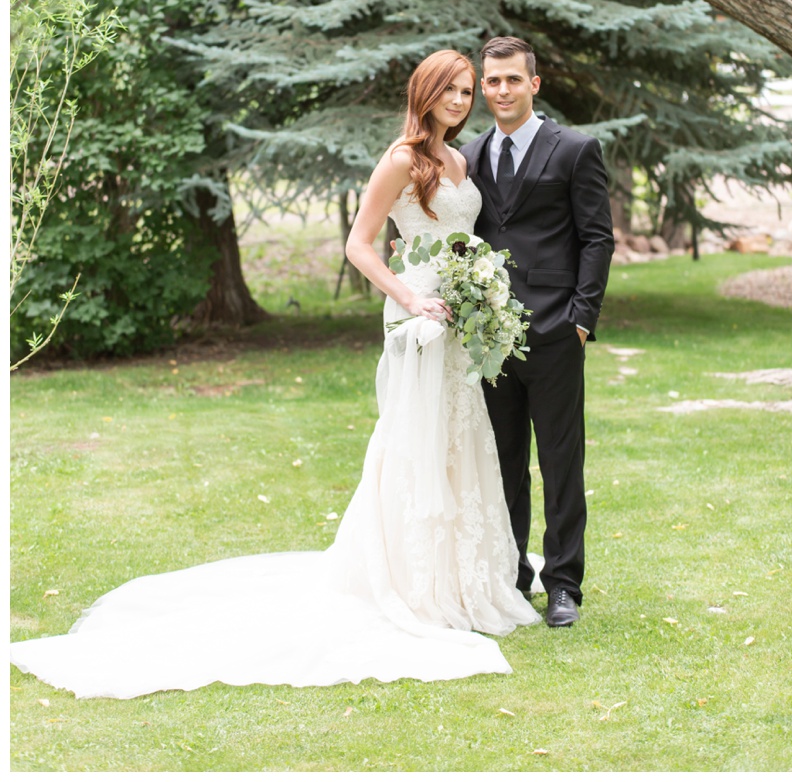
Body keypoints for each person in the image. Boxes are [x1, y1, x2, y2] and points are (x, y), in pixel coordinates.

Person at [9, 50, 538, 699]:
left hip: (457, 318)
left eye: (466, 90)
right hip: (419, 316)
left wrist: (473, 288)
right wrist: (409, 297)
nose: (461, 100)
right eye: (450, 90)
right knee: (414, 442)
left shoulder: (460, 159)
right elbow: (359, 243)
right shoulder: (403, 157)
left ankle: (467, 580)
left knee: (459, 441)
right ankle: (413, 582)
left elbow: (458, 233)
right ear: (424, 93)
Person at [460, 36, 613, 628]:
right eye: (491, 82)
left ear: (534, 84)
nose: (501, 91)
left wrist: (581, 319)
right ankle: (511, 575)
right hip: (488, 339)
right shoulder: (468, 156)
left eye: (512, 80)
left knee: (560, 460)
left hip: (554, 329)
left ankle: (564, 583)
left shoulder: (574, 149)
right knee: (501, 462)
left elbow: (597, 237)